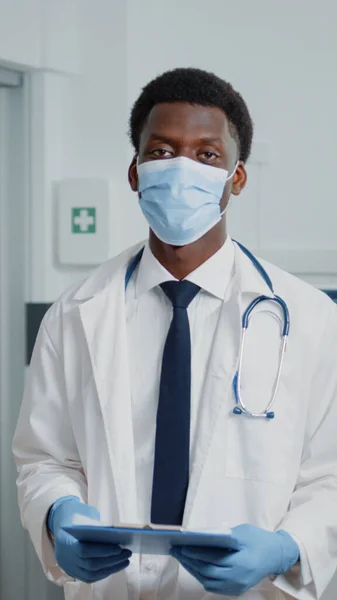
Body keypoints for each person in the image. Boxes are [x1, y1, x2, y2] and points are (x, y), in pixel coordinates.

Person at [13, 67, 337, 600]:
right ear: (135, 172)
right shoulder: (75, 315)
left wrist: (287, 547)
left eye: (207, 155)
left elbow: (329, 474)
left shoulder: (309, 319)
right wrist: (57, 513)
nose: (182, 169)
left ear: (237, 177)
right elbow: (46, 458)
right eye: (161, 152)